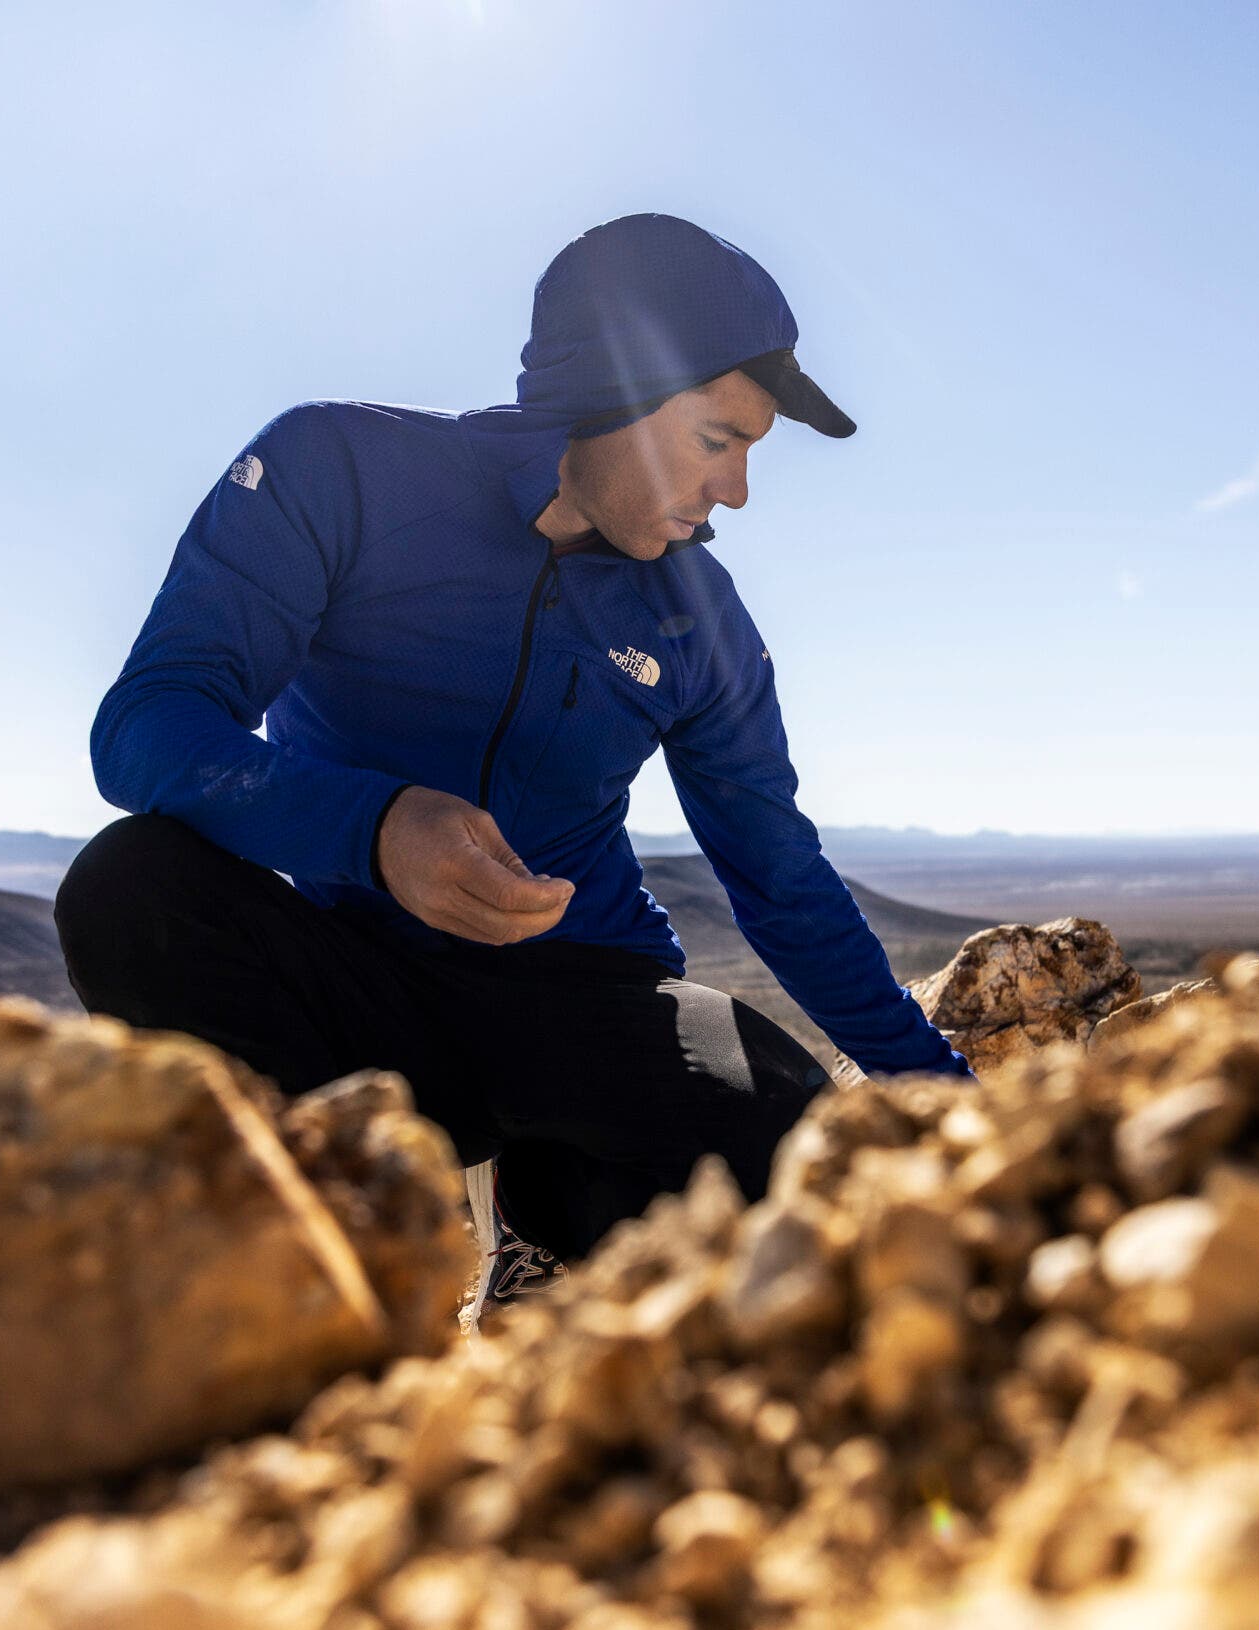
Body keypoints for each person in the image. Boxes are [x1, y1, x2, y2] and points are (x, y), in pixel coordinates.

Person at [54, 213, 972, 1311]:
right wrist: (375, 828)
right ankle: (328, 1268)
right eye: (717, 440)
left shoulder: (698, 619)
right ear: (613, 392)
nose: (734, 494)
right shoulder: (337, 469)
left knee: (784, 1154)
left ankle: (542, 1227)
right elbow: (149, 725)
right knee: (128, 886)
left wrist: (958, 1115)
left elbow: (781, 877)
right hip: (361, 995)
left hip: (588, 991)